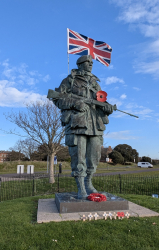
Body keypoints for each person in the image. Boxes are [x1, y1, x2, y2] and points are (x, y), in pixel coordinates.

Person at [53, 55, 113, 199]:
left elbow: (101, 100)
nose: (91, 64)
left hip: (95, 124)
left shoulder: (95, 83)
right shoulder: (70, 80)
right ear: (80, 64)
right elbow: (57, 98)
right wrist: (74, 103)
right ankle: (81, 188)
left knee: (94, 156)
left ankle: (88, 183)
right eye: (88, 62)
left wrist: (107, 107)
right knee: (78, 156)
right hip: (77, 123)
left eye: (92, 62)